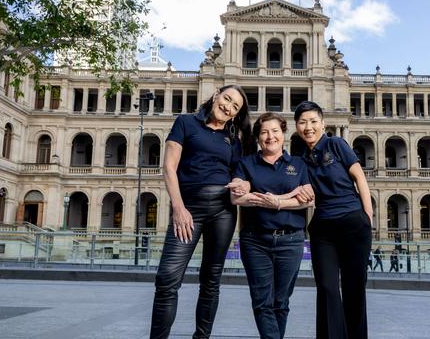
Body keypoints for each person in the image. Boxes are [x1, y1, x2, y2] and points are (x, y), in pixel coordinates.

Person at [150, 85, 253, 339]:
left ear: (236, 114)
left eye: (235, 107)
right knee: (167, 279)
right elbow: (169, 167)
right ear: (216, 94)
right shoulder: (186, 123)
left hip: (223, 212)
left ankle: (201, 337)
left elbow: (239, 175)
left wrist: (245, 184)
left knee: (211, 280)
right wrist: (179, 208)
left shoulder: (234, 140)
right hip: (188, 208)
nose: (228, 106)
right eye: (227, 98)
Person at [230, 112, 315, 339]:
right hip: (255, 240)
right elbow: (237, 198)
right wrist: (291, 196)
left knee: (281, 302)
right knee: (262, 302)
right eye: (264, 132)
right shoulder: (245, 164)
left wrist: (276, 202)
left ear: (283, 134)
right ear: (258, 137)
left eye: (275, 131)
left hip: (291, 240)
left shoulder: (298, 164)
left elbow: (308, 201)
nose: (270, 137)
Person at [294, 101, 373, 339]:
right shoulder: (301, 160)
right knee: (327, 288)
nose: (308, 127)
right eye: (302, 122)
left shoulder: (336, 144)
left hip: (353, 222)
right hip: (323, 229)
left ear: (322, 123)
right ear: (297, 127)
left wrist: (367, 217)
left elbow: (359, 177)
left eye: (313, 121)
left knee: (354, 289)